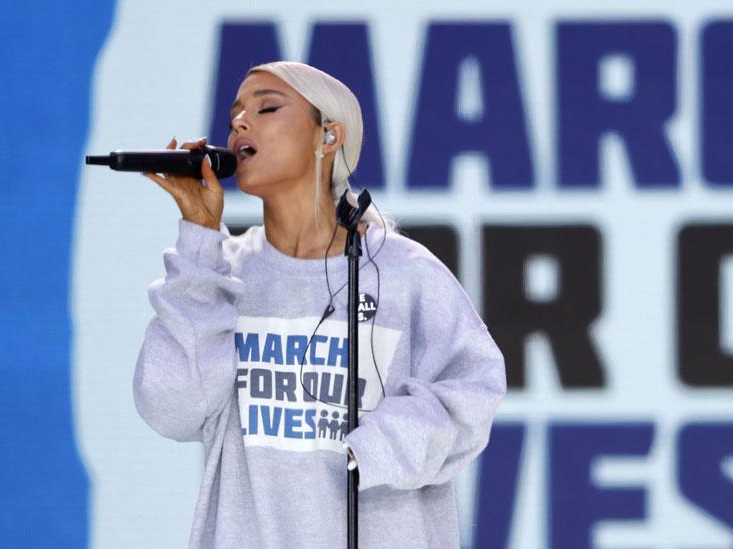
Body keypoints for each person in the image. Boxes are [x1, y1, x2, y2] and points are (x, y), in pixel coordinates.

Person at [134, 61, 507, 548]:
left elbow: (474, 392)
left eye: (266, 107)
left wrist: (379, 448)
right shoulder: (219, 271)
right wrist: (199, 239)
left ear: (329, 136)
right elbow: (170, 408)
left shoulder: (403, 272)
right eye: (234, 116)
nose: (240, 123)